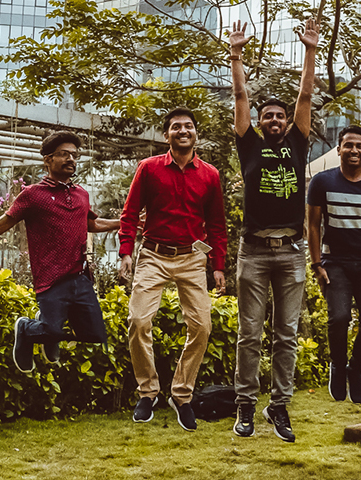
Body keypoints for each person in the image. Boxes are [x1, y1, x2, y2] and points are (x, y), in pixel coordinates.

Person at [0, 131, 119, 373]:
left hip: (80, 276)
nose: (71, 159)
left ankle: (49, 329)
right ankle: (27, 328)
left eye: (74, 155)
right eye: (64, 154)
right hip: (51, 279)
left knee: (95, 335)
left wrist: (125, 223)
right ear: (48, 160)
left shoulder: (81, 194)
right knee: (52, 329)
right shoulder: (33, 195)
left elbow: (91, 224)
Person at [227, 17, 317, 441]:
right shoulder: (249, 143)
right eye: (269, 115)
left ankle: (278, 406)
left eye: (281, 115)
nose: (276, 119)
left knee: (287, 334)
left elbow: (305, 93)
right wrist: (237, 54)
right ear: (260, 122)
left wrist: (311, 51)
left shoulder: (299, 141)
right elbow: (240, 94)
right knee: (250, 333)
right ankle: (245, 405)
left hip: (292, 251)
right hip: (255, 252)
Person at [118, 108, 228, 432]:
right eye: (176, 127)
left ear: (196, 133)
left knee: (202, 327)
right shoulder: (149, 169)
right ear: (166, 135)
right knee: (138, 320)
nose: (183, 130)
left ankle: (181, 395)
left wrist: (217, 264)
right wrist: (126, 252)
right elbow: (130, 213)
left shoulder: (210, 175)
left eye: (188, 126)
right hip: (153, 254)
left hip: (193, 257)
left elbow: (217, 225)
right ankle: (148, 392)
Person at [307, 125, 361, 405]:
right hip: (335, 262)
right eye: (348, 145)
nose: (354, 150)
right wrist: (317, 264)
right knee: (339, 318)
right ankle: (337, 365)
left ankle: (355, 368)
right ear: (339, 150)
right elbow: (312, 224)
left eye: (359, 145)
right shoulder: (322, 182)